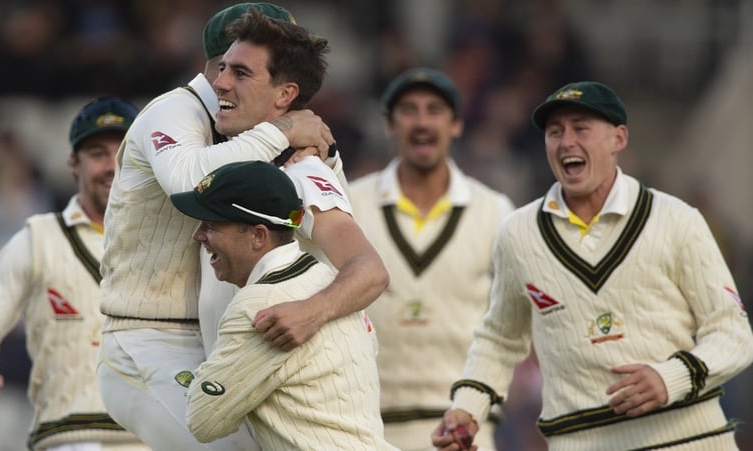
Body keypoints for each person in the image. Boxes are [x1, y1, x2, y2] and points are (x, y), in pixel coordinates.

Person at [97, 4, 387, 450]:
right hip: (152, 338)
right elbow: (188, 183)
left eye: (241, 72)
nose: (221, 83)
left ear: (285, 91)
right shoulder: (184, 116)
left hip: (247, 353)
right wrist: (286, 130)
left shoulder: (286, 159)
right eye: (223, 68)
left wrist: (327, 162)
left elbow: (359, 259)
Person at [431, 81, 753, 450]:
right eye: (555, 132)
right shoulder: (518, 235)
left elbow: (733, 334)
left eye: (581, 128)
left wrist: (672, 377)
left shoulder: (678, 220)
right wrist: (466, 410)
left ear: (619, 138)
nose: (566, 141)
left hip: (688, 439)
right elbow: (500, 340)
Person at [0, 97, 148, 451]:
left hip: (150, 433)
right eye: (97, 153)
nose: (111, 166)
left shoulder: (177, 237)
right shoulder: (37, 239)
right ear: (74, 163)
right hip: (70, 434)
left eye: (122, 152)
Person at [164, 161, 394, 450]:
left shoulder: (256, 305)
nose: (198, 236)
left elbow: (203, 421)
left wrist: (193, 377)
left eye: (211, 225)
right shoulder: (332, 281)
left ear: (258, 235)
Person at [347, 67, 515, 451]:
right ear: (389, 125)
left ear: (456, 124)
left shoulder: (494, 210)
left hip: (466, 429)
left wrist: (477, 407)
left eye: (434, 109)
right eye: (409, 110)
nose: (422, 121)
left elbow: (515, 324)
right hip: (363, 426)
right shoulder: (349, 204)